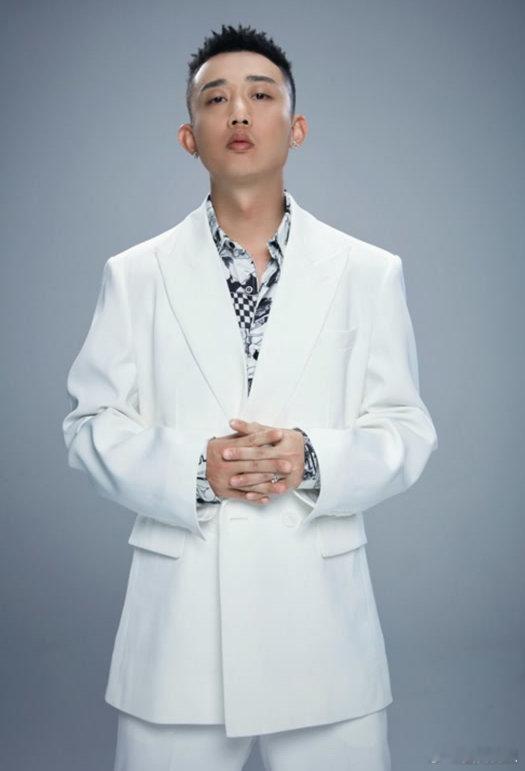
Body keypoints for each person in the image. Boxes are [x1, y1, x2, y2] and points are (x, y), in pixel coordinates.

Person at [62, 22, 438, 771]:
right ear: (188, 137)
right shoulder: (134, 275)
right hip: (178, 643)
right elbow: (89, 426)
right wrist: (195, 469)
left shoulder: (368, 272)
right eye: (216, 99)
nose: (238, 111)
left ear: (296, 128)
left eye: (260, 96)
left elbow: (405, 427)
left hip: (323, 636)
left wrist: (313, 457)